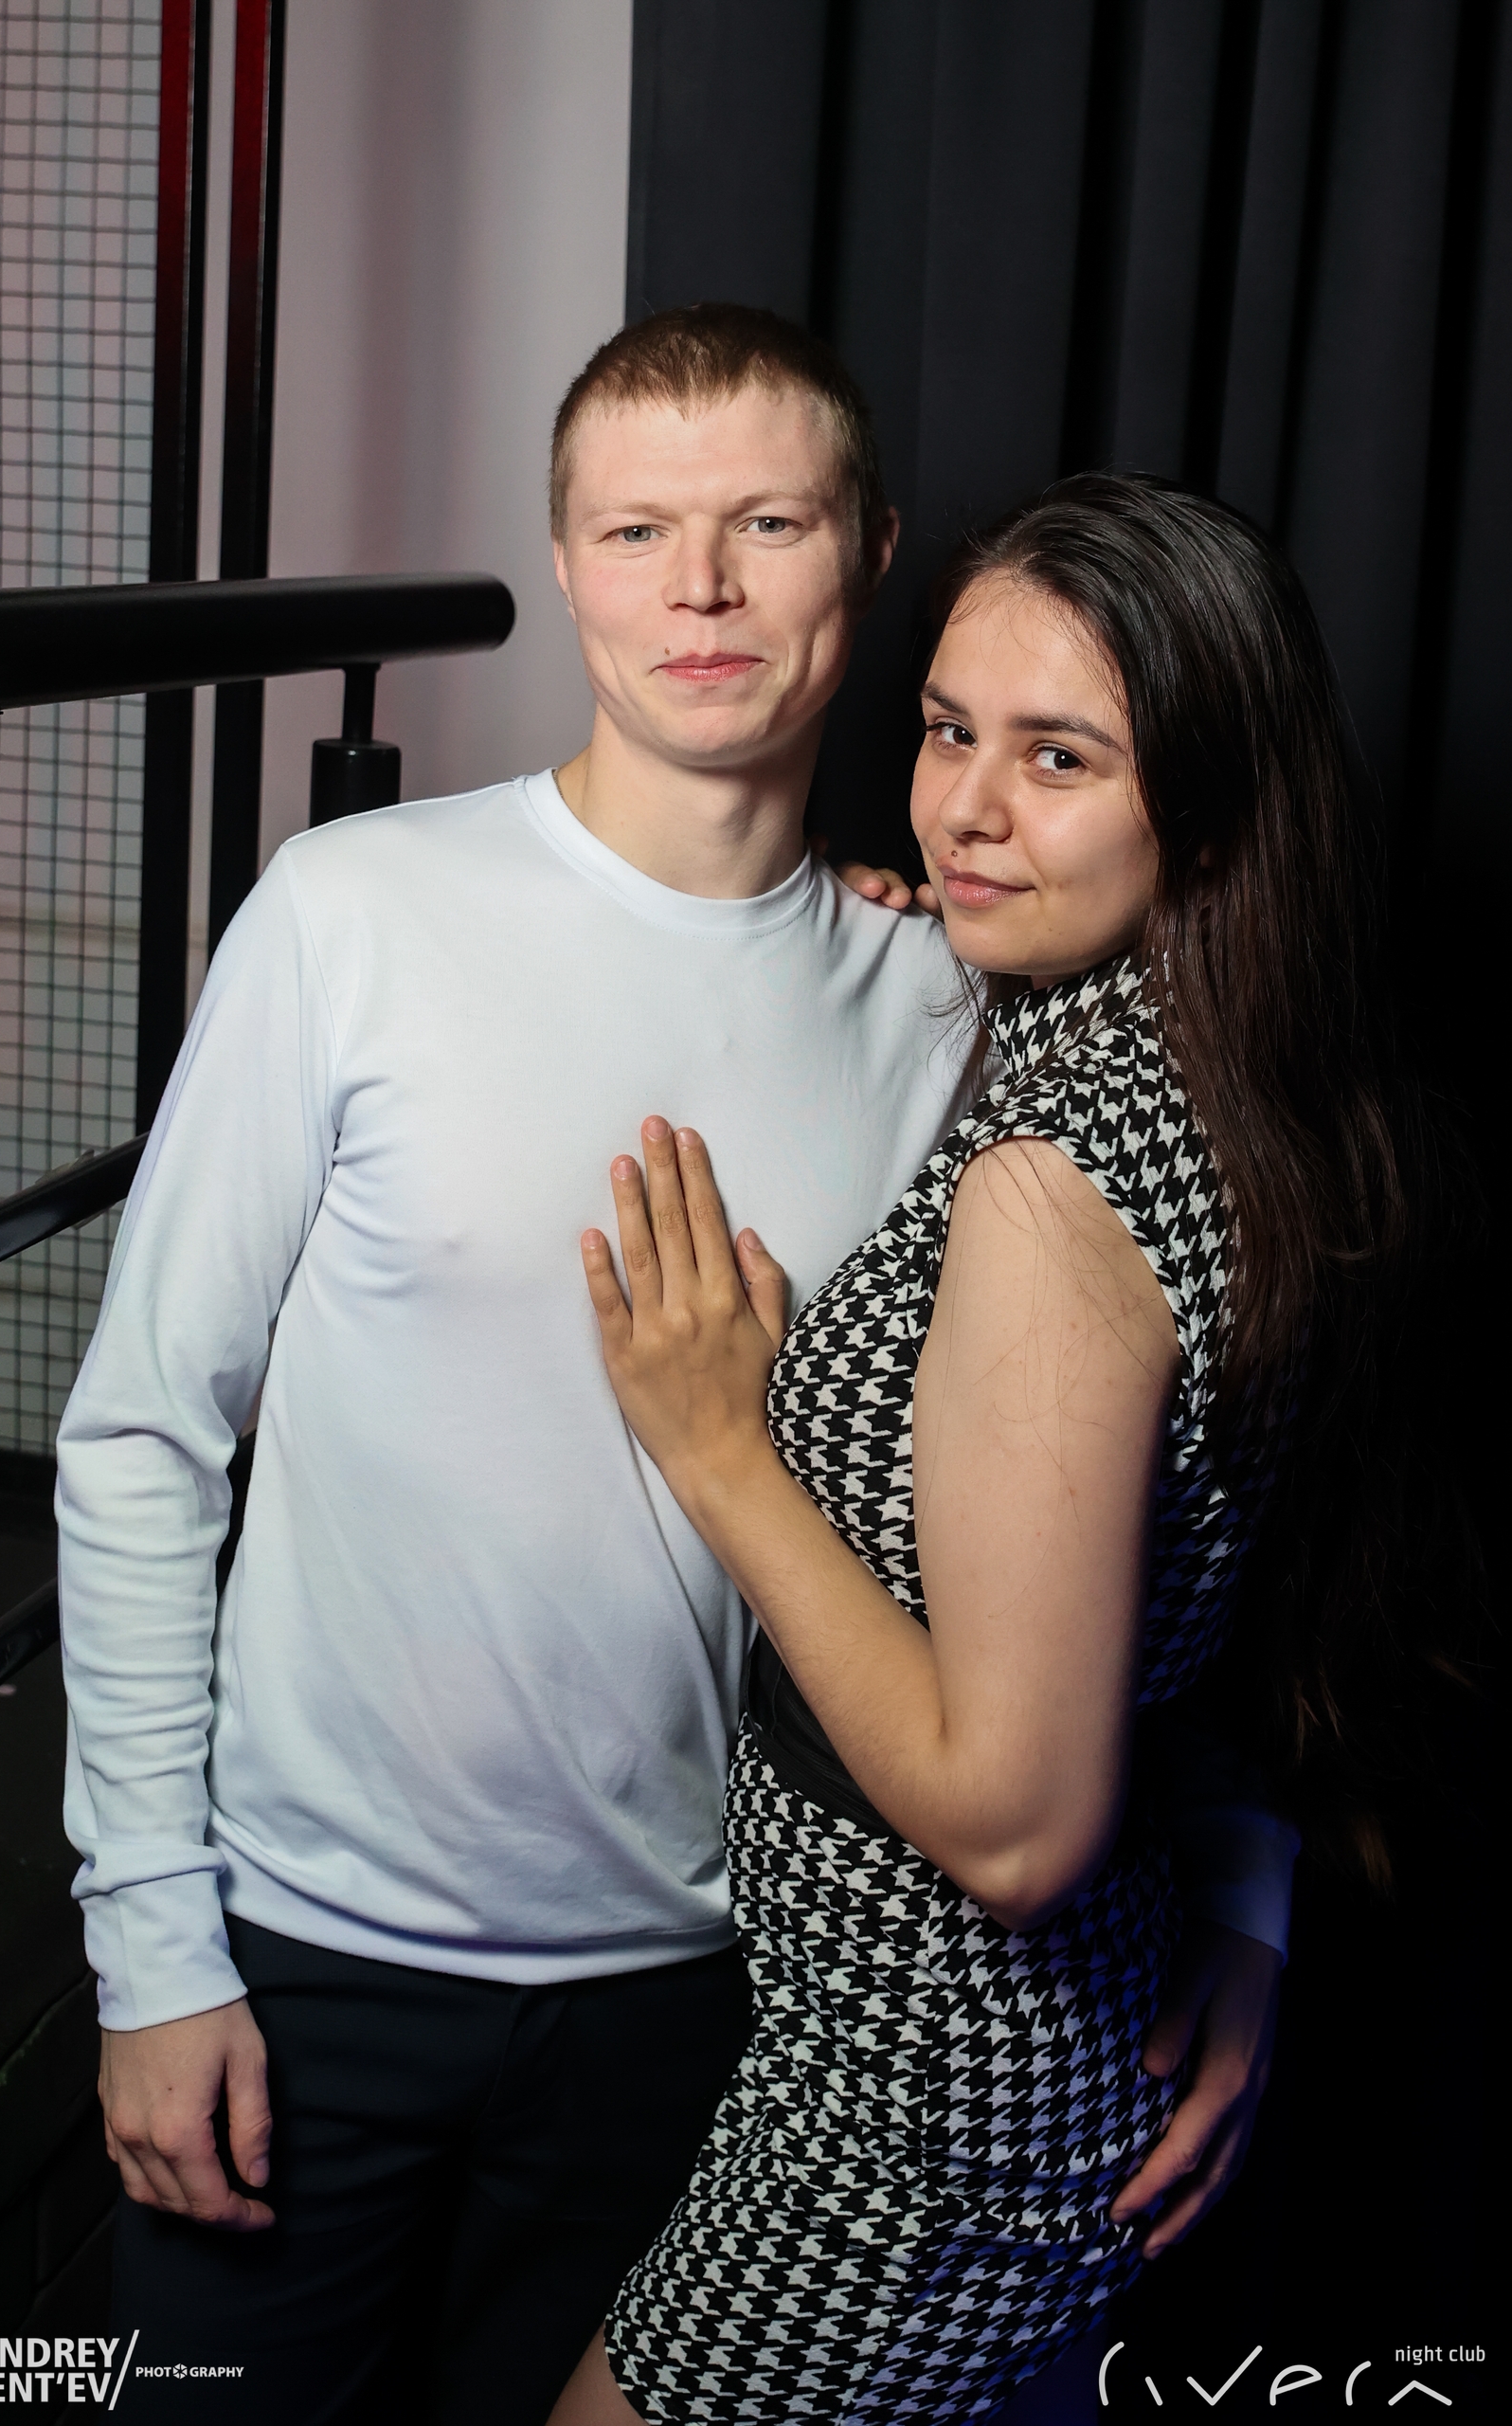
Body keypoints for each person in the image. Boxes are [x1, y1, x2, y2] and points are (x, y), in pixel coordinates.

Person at [57, 315, 1291, 2423]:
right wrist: (153, 1944)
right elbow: (143, 1436)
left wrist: (1247, 1895)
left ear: (866, 554)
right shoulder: (348, 914)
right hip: (303, 1960)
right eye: (636, 530)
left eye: (765, 525)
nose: (698, 588)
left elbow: (1160, 1493)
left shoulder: (957, 993)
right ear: (565, 562)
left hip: (710, 1992)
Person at [548, 471, 1439, 2424]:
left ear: (1208, 808)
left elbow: (1016, 1827)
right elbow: (1177, 1603)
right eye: (950, 730)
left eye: (1056, 757)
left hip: (921, 2114)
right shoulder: (1213, 1068)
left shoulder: (1059, 1184)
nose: (960, 807)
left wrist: (719, 1447)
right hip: (990, 2070)